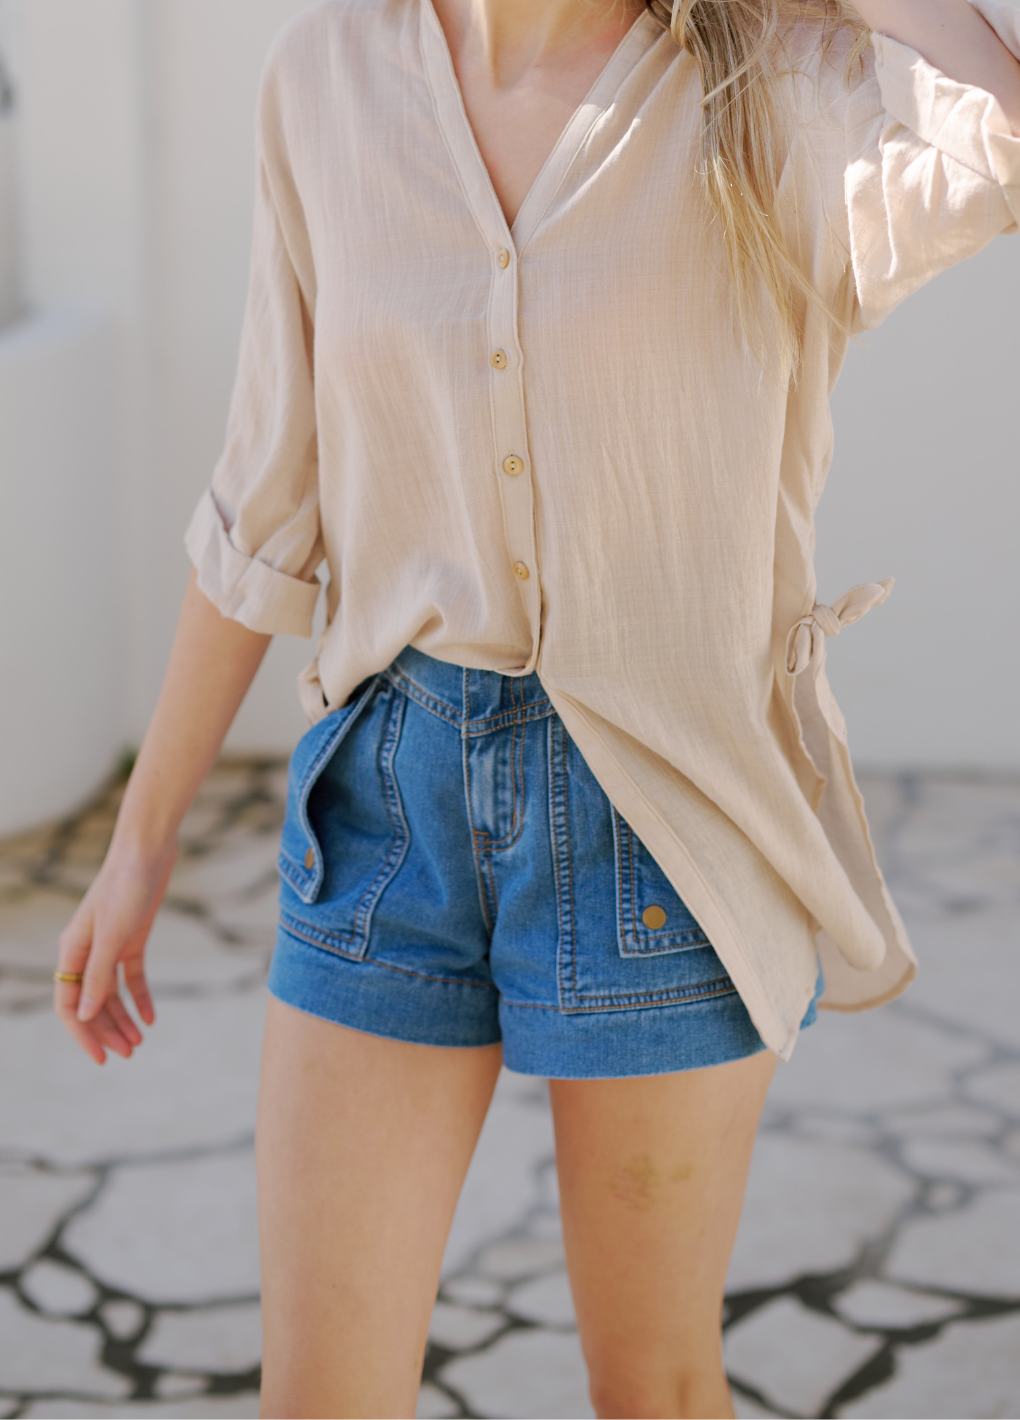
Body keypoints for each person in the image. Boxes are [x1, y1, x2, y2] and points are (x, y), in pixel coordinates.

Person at [53, 0, 1020, 1414]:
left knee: (652, 1387)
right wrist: (140, 847)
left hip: (664, 820)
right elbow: (267, 493)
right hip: (388, 805)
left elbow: (999, 142)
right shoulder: (326, 74)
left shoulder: (772, 81)